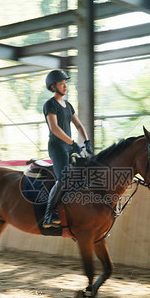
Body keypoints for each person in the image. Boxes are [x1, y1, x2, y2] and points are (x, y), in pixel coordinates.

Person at [42, 69, 93, 228]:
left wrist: (86, 141)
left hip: (70, 146)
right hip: (57, 147)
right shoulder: (50, 104)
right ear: (53, 87)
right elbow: (55, 128)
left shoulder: (68, 105)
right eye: (61, 84)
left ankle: (72, 209)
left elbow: (78, 125)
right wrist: (72, 143)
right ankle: (49, 215)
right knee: (62, 180)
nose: (65, 86)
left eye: (66, 83)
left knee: (86, 173)